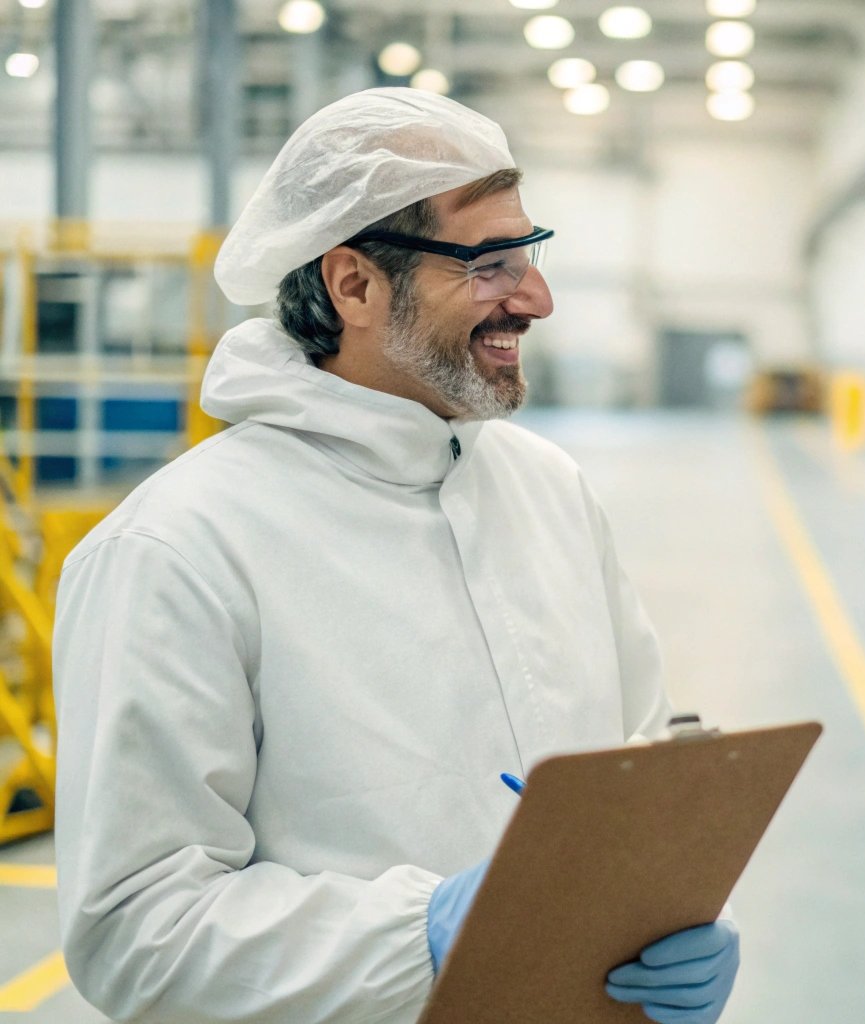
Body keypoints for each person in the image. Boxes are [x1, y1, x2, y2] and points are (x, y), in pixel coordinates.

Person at [53, 88, 739, 1024]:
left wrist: (670, 908)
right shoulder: (178, 548)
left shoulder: (548, 492)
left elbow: (637, 760)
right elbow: (136, 931)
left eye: (528, 255)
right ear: (354, 286)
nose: (535, 298)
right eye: (490, 264)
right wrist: (419, 932)